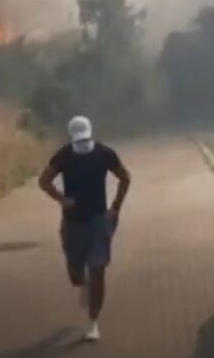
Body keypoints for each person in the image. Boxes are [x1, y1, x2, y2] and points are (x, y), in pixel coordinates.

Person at [38, 115, 131, 343]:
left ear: (91, 134)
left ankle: (92, 322)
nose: (83, 144)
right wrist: (61, 199)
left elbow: (124, 177)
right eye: (79, 140)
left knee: (98, 271)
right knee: (75, 274)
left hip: (98, 221)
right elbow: (44, 180)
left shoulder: (104, 153)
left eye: (85, 139)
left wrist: (116, 208)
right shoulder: (64, 155)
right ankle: (84, 287)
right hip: (73, 223)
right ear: (72, 138)